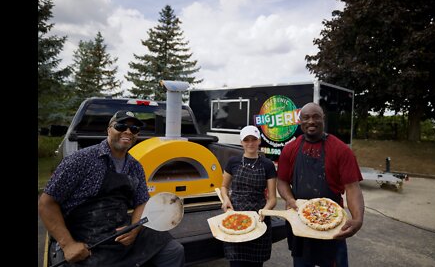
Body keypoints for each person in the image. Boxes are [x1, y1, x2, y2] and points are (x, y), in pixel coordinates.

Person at [38, 110, 185, 267]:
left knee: (173, 251)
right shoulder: (80, 160)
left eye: (134, 129)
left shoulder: (135, 166)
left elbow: (142, 202)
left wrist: (134, 228)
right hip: (82, 233)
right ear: (109, 129)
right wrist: (68, 245)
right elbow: (46, 203)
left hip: (119, 229)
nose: (128, 131)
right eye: (121, 126)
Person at [276, 102, 364, 267]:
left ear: (323, 119)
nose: (311, 121)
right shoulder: (289, 149)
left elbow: (352, 188)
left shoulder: (341, 150)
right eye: (306, 117)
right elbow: (282, 181)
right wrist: (289, 199)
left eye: (316, 116)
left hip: (332, 221)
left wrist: (358, 219)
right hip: (301, 220)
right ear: (299, 121)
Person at [219, 125, 278, 267]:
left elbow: (272, 199)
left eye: (254, 139)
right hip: (234, 217)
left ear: (259, 141)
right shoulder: (233, 162)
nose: (250, 143)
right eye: (246, 140)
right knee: (236, 262)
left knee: (255, 263)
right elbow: (224, 187)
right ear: (241, 142)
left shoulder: (267, 164)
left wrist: (264, 211)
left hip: (259, 218)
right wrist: (226, 199)